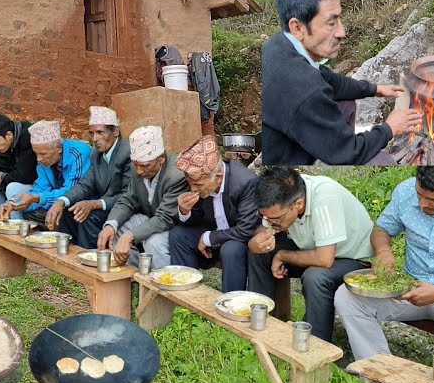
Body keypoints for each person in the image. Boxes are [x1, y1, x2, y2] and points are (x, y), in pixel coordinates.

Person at [336, 164, 434, 376]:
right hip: (410, 286)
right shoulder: (405, 191)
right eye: (419, 194)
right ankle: (378, 376)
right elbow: (382, 229)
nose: (422, 204)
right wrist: (383, 251)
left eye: (433, 199)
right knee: (347, 298)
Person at [262, 0, 422, 166]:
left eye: (339, 20)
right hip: (287, 163)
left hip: (295, 132)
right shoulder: (305, 90)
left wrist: (376, 89)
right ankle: (334, 161)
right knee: (383, 160)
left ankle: (336, 147)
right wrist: (390, 128)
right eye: (331, 23)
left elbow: (331, 81)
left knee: (346, 101)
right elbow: (349, 150)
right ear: (298, 27)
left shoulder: (280, 45)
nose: (342, 32)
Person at [249, 167, 374, 343]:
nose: (271, 222)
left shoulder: (324, 196)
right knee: (261, 252)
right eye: (265, 217)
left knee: (315, 277)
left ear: (298, 204)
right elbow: (264, 229)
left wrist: (283, 256)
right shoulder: (282, 200)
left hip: (353, 259)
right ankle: (260, 324)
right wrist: (254, 243)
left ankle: (316, 346)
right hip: (313, 249)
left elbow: (324, 259)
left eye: (276, 218)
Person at [169, 136, 273, 294]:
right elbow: (197, 218)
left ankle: (231, 304)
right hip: (216, 234)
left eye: (197, 185)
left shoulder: (245, 183)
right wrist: (185, 211)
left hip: (242, 241)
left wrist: (208, 238)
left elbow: (245, 230)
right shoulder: (200, 180)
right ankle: (187, 295)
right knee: (178, 235)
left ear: (218, 179)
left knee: (231, 249)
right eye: (190, 184)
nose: (193, 189)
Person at [98, 126, 186, 268]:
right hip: (153, 219)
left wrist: (131, 235)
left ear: (161, 159)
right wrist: (110, 225)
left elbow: (165, 218)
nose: (138, 171)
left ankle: (163, 285)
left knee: (154, 242)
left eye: (145, 166)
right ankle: (132, 274)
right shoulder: (138, 166)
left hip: (174, 227)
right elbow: (127, 200)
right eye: (136, 165)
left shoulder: (176, 175)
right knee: (118, 228)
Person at [51, 107, 131, 247]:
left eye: (100, 132)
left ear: (116, 132)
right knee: (68, 212)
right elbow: (85, 184)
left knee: (88, 218)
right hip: (106, 206)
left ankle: (91, 260)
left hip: (124, 209)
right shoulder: (96, 154)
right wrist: (62, 201)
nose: (95, 139)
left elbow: (128, 196)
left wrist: (94, 204)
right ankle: (69, 258)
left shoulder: (128, 153)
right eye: (92, 133)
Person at [0, 120, 91, 227]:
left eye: (43, 154)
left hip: (81, 203)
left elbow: (71, 192)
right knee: (24, 205)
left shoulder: (79, 154)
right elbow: (41, 189)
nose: (38, 159)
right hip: (56, 199)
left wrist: (37, 198)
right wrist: (13, 204)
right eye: (36, 154)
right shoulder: (44, 161)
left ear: (58, 148)